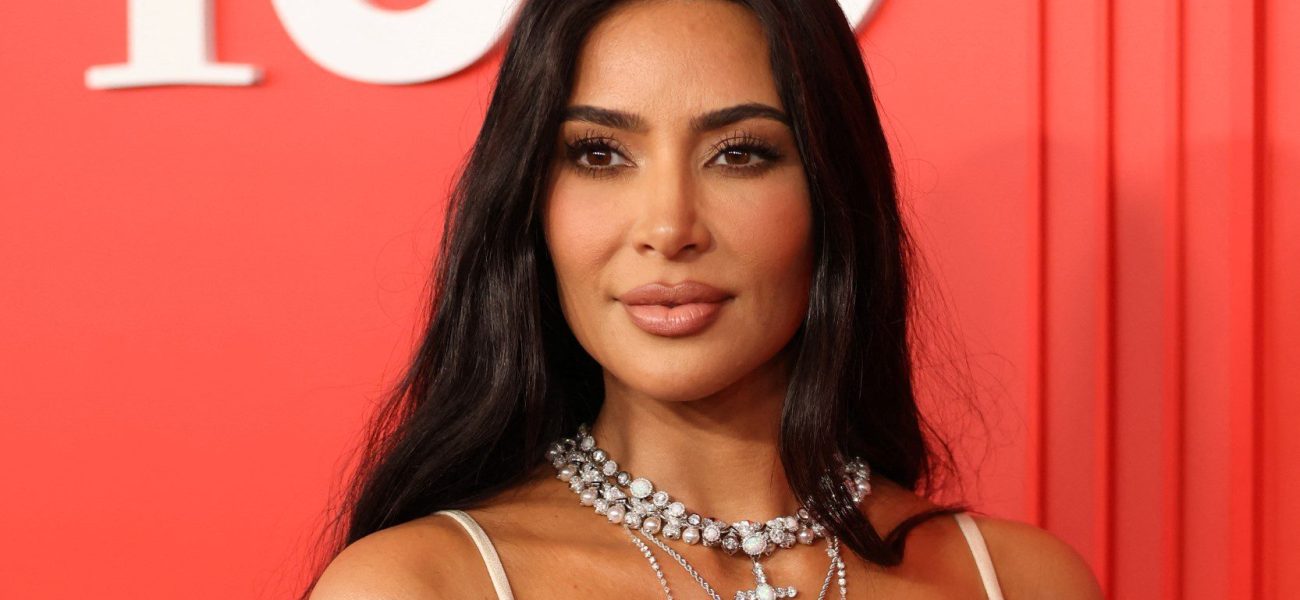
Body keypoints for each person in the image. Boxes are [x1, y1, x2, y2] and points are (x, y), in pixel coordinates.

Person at [305, 0, 1104, 598]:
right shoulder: (421, 585)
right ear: (529, 205)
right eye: (598, 154)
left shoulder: (1017, 580)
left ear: (831, 190)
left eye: (739, 153)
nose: (667, 226)